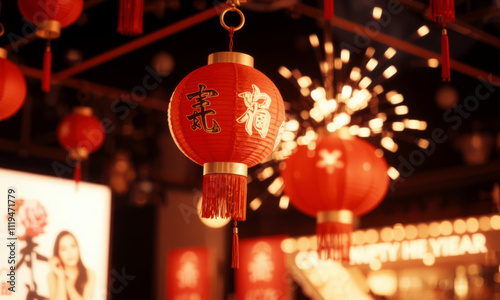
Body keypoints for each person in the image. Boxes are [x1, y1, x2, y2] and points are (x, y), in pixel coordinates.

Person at [47, 230, 96, 300]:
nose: (70, 253)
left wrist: (69, 287)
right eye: (63, 249)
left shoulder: (90, 274)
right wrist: (61, 276)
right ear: (58, 254)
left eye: (73, 246)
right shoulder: (52, 276)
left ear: (78, 248)